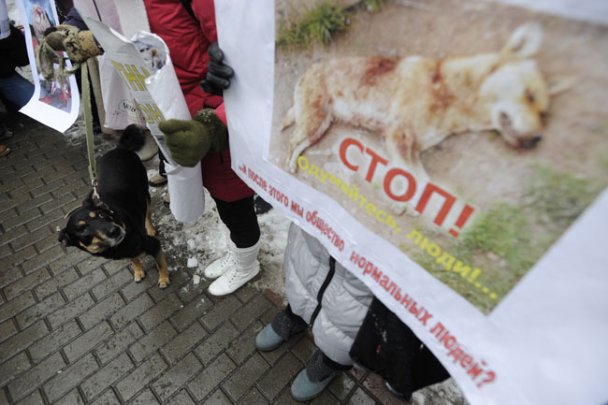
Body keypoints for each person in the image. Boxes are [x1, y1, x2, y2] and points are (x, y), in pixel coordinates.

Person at [255, 223, 373, 401]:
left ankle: (330, 362)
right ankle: (294, 317)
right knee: (306, 273)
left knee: (347, 317)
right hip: (323, 229)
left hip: (374, 249)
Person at [0, 0, 35, 157]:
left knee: (33, 100)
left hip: (4, 76)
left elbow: (23, 59)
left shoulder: (8, 32)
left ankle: (9, 107)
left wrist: (12, 41)